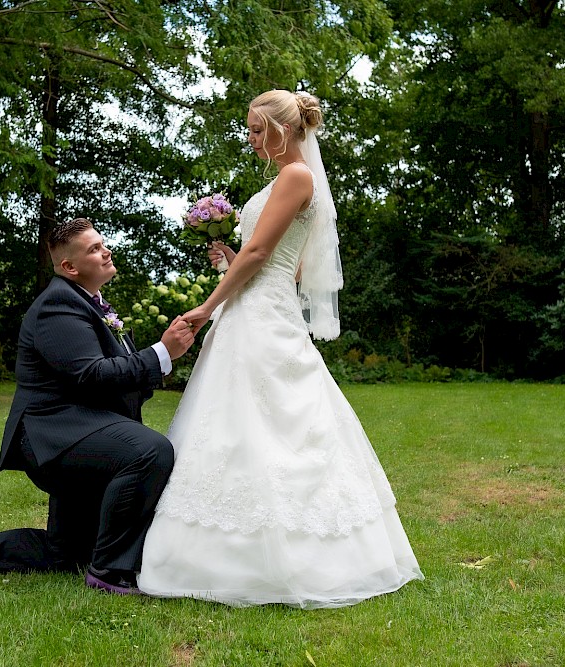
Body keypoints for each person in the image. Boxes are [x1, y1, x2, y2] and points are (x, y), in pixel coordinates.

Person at [137, 90, 424, 608]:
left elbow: (264, 251)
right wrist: (231, 261)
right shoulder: (283, 182)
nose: (251, 140)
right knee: (232, 425)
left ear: (284, 129)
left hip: (262, 315)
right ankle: (218, 553)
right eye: (248, 131)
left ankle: (287, 555)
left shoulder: (296, 176)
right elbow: (281, 265)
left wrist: (207, 306)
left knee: (271, 425)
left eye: (256, 130)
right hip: (257, 304)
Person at [0, 217, 196, 594]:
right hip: (56, 440)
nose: (106, 250)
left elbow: (116, 384)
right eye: (94, 249)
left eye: (102, 243)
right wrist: (162, 353)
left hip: (84, 431)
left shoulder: (92, 304)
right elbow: (91, 374)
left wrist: (157, 362)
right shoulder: (57, 305)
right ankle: (109, 572)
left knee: (68, 554)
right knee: (149, 451)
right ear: (69, 267)